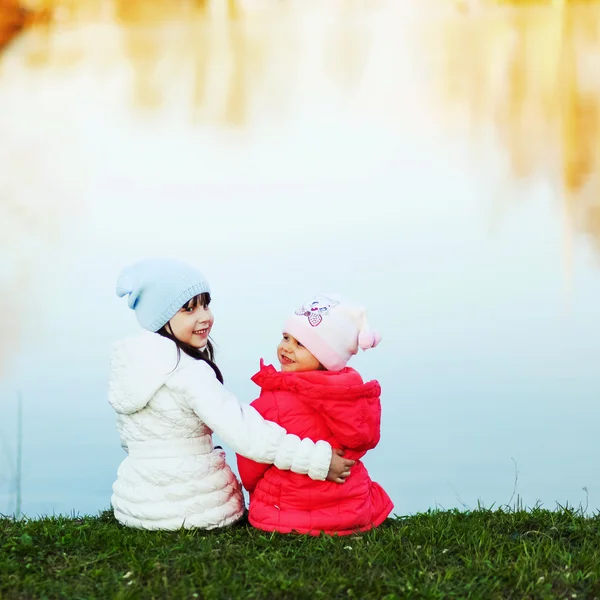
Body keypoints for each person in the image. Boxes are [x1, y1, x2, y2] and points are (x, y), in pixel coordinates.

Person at [108, 259, 354, 531]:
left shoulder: (132, 364)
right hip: (191, 509)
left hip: (135, 506)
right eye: (189, 309)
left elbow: (128, 439)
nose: (204, 317)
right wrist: (318, 460)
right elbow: (245, 432)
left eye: (205, 304)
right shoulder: (187, 371)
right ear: (161, 316)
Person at [236, 294, 393, 536]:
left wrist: (252, 487)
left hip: (286, 511)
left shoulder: (274, 400)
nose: (286, 347)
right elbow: (365, 440)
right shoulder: (353, 396)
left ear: (325, 357)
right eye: (286, 337)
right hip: (351, 509)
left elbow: (251, 454)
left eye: (301, 344)